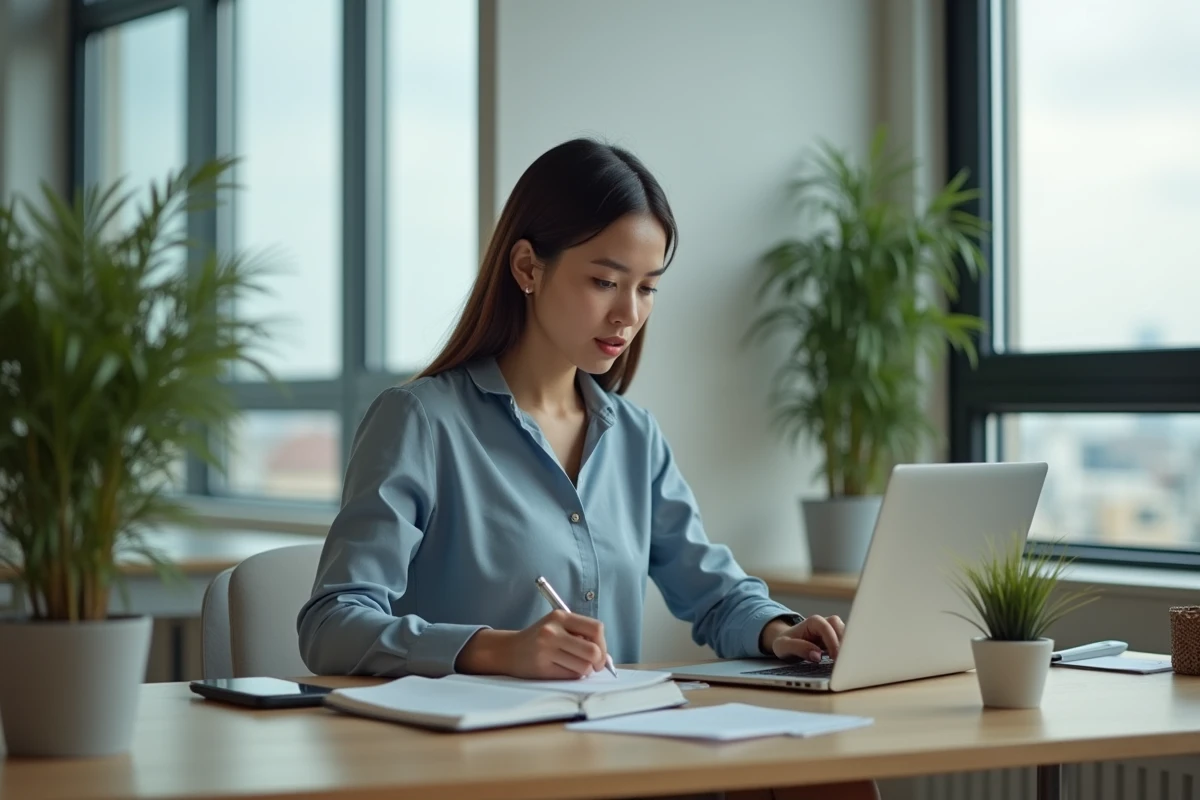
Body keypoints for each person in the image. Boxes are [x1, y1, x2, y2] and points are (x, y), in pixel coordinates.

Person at [297, 138, 877, 800]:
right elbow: (332, 623)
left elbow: (713, 592)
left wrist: (779, 631)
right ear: (527, 266)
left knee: (832, 779)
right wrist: (498, 649)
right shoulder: (421, 421)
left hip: (617, 761)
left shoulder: (633, 435)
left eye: (647, 288)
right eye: (605, 281)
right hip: (477, 774)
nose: (628, 314)